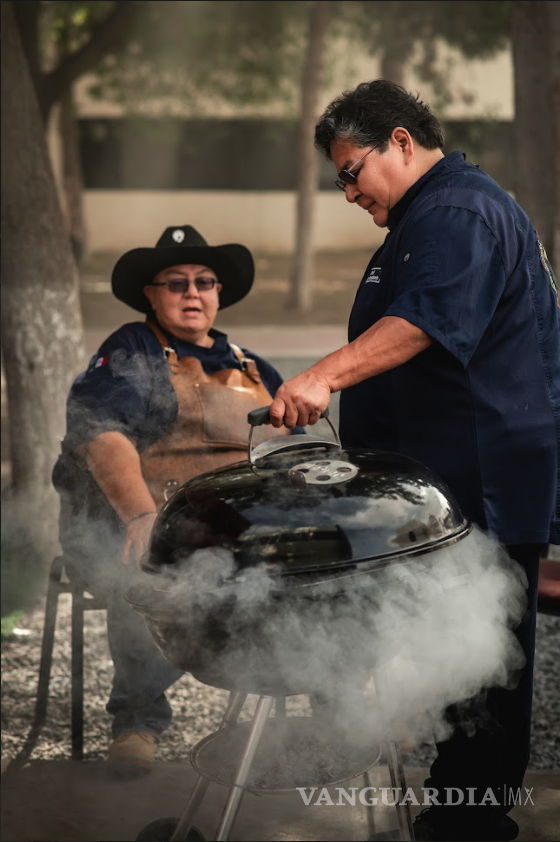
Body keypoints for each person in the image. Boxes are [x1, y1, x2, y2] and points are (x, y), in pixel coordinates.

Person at [269, 80, 560, 842]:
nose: (346, 191)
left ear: (400, 141)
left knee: (487, 655)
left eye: (350, 170)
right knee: (455, 648)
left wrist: (320, 375)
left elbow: (426, 322)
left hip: (482, 476)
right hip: (447, 479)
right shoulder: (430, 213)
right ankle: (452, 802)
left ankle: (473, 823)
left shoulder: (455, 210)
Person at [52, 224, 292, 778]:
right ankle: (136, 720)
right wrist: (141, 516)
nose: (193, 292)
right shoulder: (131, 351)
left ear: (218, 292)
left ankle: (320, 705)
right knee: (153, 563)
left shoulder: (252, 365)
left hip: (239, 533)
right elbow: (101, 433)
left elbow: (290, 454)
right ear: (151, 295)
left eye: (204, 281)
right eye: (177, 282)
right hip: (144, 522)